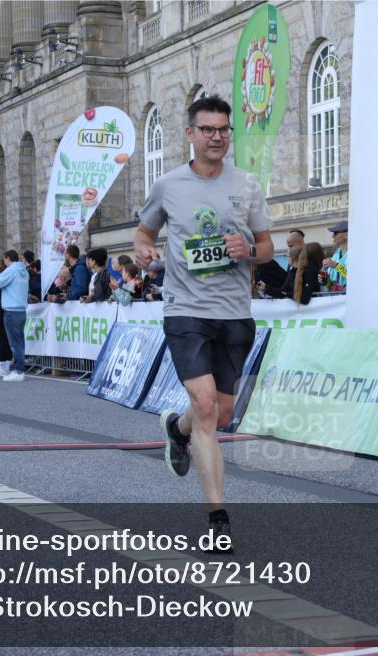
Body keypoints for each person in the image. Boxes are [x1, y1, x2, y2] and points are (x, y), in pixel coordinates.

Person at [133, 94, 274, 550]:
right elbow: (144, 230)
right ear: (190, 134)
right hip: (185, 310)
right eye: (208, 129)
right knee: (208, 407)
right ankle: (218, 520)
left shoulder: (247, 184)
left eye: (224, 130)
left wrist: (248, 251)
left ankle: (177, 430)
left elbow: (270, 246)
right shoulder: (169, 185)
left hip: (235, 314)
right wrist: (143, 249)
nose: (217, 137)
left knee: (223, 412)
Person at [0, 249, 29, 382]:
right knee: (20, 342)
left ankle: (18, 371)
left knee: (15, 343)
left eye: (4, 260)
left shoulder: (11, 270)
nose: (4, 263)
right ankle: (19, 369)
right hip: (22, 310)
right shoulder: (24, 271)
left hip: (11, 310)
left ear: (8, 258)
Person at [323, 221, 348, 291]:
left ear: (346, 234)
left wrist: (336, 266)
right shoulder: (336, 254)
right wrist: (324, 281)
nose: (333, 236)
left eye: (336, 233)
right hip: (336, 297)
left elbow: (354, 278)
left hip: (349, 297)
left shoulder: (355, 253)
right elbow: (332, 285)